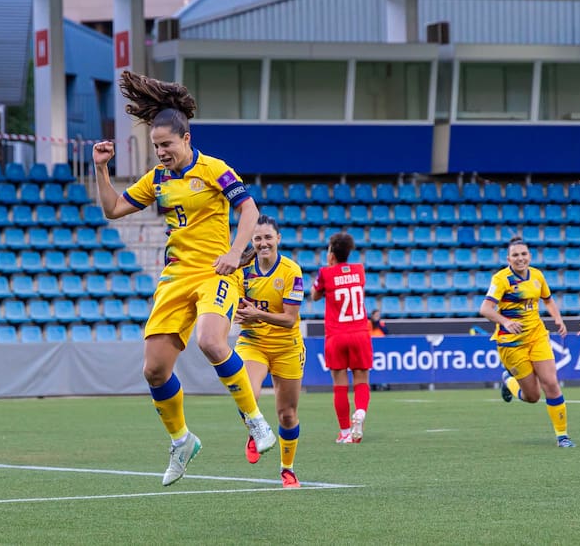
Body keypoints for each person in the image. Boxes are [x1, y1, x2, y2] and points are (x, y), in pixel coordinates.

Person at [92, 70, 277, 487]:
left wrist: (234, 253)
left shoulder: (215, 170)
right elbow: (113, 210)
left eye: (167, 145)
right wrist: (101, 170)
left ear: (187, 139)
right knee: (154, 371)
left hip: (216, 271)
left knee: (211, 340)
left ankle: (254, 419)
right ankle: (181, 440)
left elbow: (248, 211)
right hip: (175, 276)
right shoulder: (157, 180)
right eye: (156, 146)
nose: (161, 153)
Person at [478, 237, 574, 448]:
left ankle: (563, 436)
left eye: (524, 254)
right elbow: (485, 309)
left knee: (551, 382)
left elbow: (547, 299)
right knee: (532, 396)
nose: (520, 258)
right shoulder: (501, 279)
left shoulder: (537, 276)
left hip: (537, 335)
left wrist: (557, 318)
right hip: (512, 343)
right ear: (508, 258)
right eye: (515, 255)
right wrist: (505, 321)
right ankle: (508, 380)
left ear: (529, 256)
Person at [234, 215, 306, 489]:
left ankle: (287, 469)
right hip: (253, 342)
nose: (263, 243)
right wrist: (249, 314)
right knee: (247, 395)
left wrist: (257, 313)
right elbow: (241, 313)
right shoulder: (244, 271)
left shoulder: (291, 271)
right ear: (252, 242)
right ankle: (256, 429)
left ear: (278, 239)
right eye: (257, 238)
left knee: (287, 414)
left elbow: (289, 319)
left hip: (287, 346)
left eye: (267, 237)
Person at [311, 232, 372, 444]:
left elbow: (315, 295)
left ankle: (345, 432)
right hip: (360, 332)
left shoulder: (325, 273)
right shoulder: (359, 271)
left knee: (339, 385)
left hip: (336, 335)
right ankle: (361, 412)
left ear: (331, 253)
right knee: (362, 380)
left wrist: (328, 268)